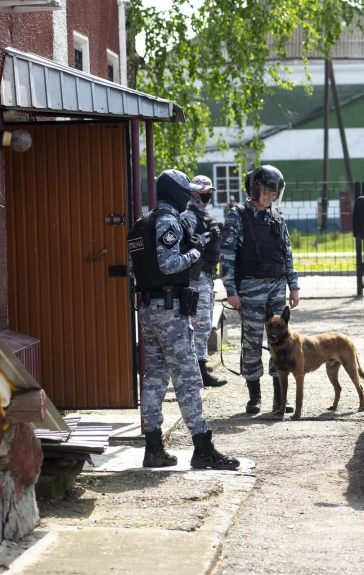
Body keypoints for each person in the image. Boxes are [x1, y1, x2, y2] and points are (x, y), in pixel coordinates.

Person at [127, 169, 239, 470]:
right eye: (186, 190)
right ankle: (203, 448)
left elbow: (131, 270)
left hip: (149, 309)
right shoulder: (167, 222)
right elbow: (169, 263)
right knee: (188, 378)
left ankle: (153, 448)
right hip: (170, 310)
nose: (191, 195)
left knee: (154, 378)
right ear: (174, 192)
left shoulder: (140, 224)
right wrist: (195, 251)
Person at [221, 165, 300, 415]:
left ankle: (280, 398)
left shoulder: (277, 216)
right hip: (250, 289)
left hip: (276, 288)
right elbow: (227, 256)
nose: (270, 197)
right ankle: (254, 396)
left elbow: (287, 252)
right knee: (253, 341)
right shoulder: (238, 216)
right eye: (266, 192)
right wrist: (231, 290)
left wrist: (293, 286)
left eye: (274, 193)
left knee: (281, 342)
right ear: (254, 189)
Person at [181, 174, 228, 389]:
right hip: (196, 278)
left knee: (204, 325)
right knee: (199, 326)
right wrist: (208, 236)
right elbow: (187, 244)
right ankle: (198, 374)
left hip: (207, 277)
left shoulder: (204, 214)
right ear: (193, 193)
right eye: (202, 193)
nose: (206, 197)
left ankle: (199, 371)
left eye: (209, 193)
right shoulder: (189, 216)